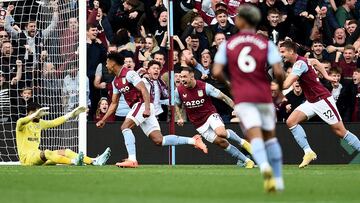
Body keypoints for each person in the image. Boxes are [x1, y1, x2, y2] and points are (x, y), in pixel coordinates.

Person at [213, 4, 285, 192]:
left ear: (240, 21)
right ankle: (278, 178)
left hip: (244, 97)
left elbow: (216, 71)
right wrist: (281, 89)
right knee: (270, 138)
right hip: (263, 95)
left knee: (255, 138)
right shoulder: (266, 43)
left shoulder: (229, 44)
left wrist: (230, 84)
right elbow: (279, 71)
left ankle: (265, 169)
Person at [96, 53, 208, 168]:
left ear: (113, 63)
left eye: (107, 62)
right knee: (159, 140)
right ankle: (194, 141)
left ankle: (132, 159)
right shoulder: (115, 82)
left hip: (142, 105)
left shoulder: (129, 74)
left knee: (125, 127)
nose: (106, 65)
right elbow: (114, 103)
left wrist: (147, 108)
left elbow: (144, 89)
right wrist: (104, 119)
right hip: (141, 108)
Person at [279, 40, 360, 168]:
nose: (281, 54)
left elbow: (287, 84)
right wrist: (326, 76)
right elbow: (316, 62)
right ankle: (308, 152)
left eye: (283, 52)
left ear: (291, 51)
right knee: (291, 121)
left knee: (340, 131)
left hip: (323, 100)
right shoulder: (303, 61)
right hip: (311, 101)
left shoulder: (299, 64)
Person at [175, 67, 255, 168]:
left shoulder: (205, 87)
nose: (182, 79)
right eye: (181, 77)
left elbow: (223, 97)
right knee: (222, 143)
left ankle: (243, 143)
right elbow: (177, 105)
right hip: (198, 124)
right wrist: (179, 117)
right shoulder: (178, 90)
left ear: (192, 77)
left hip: (210, 115)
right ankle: (247, 161)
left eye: (185, 77)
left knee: (221, 132)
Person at [16, 102, 111, 166]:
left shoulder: (39, 123)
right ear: (31, 112)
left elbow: (54, 122)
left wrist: (71, 114)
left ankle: (94, 161)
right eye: (38, 113)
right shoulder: (21, 123)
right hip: (27, 159)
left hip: (37, 156)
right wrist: (34, 115)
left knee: (66, 152)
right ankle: (74, 162)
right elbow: (23, 121)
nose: (40, 115)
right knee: (47, 152)